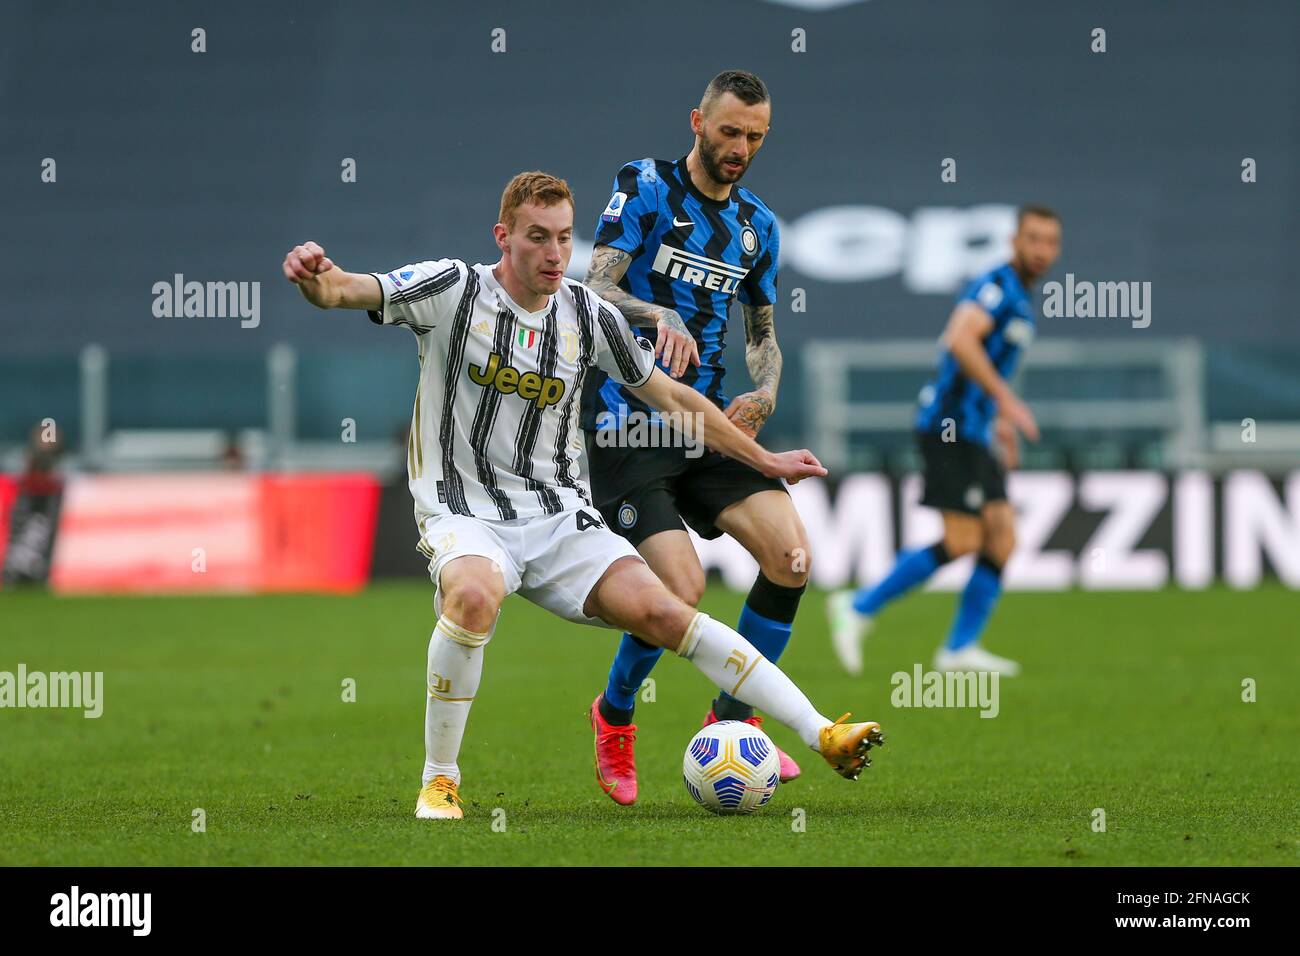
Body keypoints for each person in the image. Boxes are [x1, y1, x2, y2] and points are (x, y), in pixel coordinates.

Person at [282, 170, 885, 820]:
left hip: (560, 518)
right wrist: (318, 279)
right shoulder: (452, 288)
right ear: (503, 236)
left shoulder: (588, 314)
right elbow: (347, 289)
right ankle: (440, 780)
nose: (553, 253)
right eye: (537, 237)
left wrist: (763, 458)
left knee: (665, 611)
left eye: (564, 238)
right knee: (475, 595)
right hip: (463, 511)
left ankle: (822, 731)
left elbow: (676, 399)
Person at [580, 70, 814, 806]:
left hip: (707, 426)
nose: (741, 147)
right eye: (729, 132)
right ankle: (615, 715)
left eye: (755, 137)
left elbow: (764, 337)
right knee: (680, 590)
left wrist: (767, 390)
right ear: (698, 122)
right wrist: (659, 316)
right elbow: (594, 289)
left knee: (792, 557)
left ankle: (734, 724)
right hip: (628, 419)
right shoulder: (646, 187)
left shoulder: (759, 227)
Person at [828, 206, 1063, 677]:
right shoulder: (996, 287)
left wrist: (998, 420)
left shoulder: (1019, 296)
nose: (1041, 250)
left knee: (1002, 537)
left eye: (1050, 242)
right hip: (948, 428)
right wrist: (1008, 402)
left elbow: (980, 366)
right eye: (1032, 239)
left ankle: (959, 649)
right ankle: (858, 605)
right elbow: (960, 340)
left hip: (975, 428)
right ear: (1013, 240)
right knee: (963, 540)